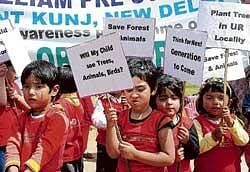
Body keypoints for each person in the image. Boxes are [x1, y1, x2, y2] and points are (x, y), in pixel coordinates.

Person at [106, 58, 175, 172]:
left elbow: (168, 158)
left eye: (140, 89)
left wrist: (135, 154)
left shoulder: (161, 120)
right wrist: (110, 126)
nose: (134, 95)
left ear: (153, 89)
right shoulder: (120, 117)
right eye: (129, 90)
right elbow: (113, 153)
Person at [5, 60, 69, 172]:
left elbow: (45, 149)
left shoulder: (58, 118)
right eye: (26, 86)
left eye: (38, 87)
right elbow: (13, 144)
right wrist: (12, 167)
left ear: (54, 90)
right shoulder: (21, 118)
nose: (31, 92)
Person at [193, 77, 249, 172]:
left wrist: (230, 122)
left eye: (221, 98)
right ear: (201, 100)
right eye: (209, 98)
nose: (215, 102)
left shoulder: (234, 120)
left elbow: (243, 141)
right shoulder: (197, 122)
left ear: (229, 101)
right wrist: (213, 136)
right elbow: (197, 149)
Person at [153, 74, 199, 172]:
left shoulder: (187, 124)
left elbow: (195, 153)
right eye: (163, 98)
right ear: (154, 101)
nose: (169, 102)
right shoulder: (150, 124)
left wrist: (187, 142)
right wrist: (171, 157)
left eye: (174, 98)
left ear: (181, 101)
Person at [56, 65, 93, 172]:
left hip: (64, 156)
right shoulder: (79, 103)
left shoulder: (59, 106)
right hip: (77, 152)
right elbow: (86, 124)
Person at [0, 61, 30, 172]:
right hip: (2, 141)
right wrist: (1, 78)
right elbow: (2, 103)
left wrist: (17, 96)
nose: (16, 75)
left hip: (17, 138)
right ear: (4, 69)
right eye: (13, 71)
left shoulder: (15, 86)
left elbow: (29, 108)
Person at [92, 91, 128, 172]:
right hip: (105, 144)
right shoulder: (102, 101)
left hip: (124, 144)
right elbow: (96, 120)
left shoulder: (128, 100)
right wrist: (110, 122)